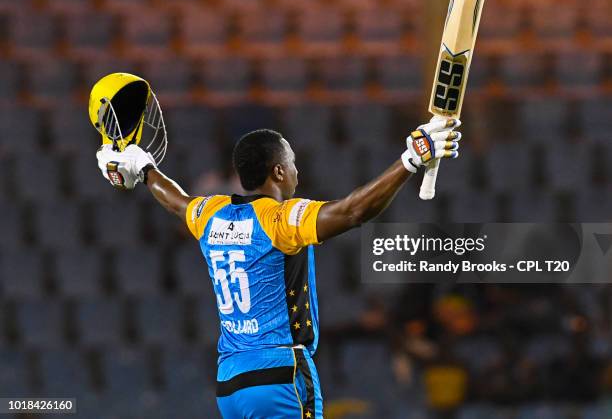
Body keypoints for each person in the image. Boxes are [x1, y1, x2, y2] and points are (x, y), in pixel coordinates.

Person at [96, 118, 461, 419]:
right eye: (292, 163)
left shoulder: (210, 213)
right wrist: (411, 160)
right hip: (279, 375)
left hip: (230, 382)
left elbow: (177, 201)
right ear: (278, 171)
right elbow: (354, 211)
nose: (297, 171)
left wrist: (142, 168)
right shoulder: (279, 219)